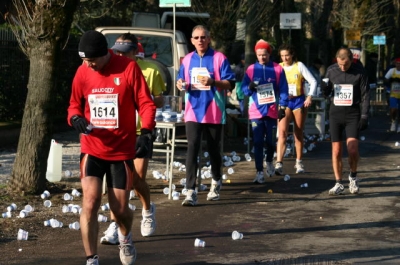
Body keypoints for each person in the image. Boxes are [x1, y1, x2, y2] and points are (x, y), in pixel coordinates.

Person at [67, 30, 156, 265]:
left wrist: (146, 132)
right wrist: (75, 118)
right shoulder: (83, 71)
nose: (89, 65)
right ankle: (91, 259)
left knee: (119, 209)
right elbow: (74, 105)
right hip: (92, 147)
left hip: (121, 151)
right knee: (90, 201)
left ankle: (125, 238)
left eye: (92, 60)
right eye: (84, 60)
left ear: (105, 53)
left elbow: (146, 103)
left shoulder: (127, 68)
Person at [98, 33, 166, 245]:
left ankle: (147, 210)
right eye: (117, 50)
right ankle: (115, 223)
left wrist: (142, 98)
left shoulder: (151, 70)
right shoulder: (111, 68)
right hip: (118, 133)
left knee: (135, 180)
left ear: (135, 52)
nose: (119, 54)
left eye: (124, 51)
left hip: (140, 132)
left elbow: (160, 101)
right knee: (118, 183)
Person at [176, 25, 235, 206]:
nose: (200, 40)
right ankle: (191, 190)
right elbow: (181, 81)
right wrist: (180, 84)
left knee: (213, 149)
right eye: (196, 38)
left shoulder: (219, 58)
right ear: (192, 41)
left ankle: (216, 180)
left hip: (213, 111)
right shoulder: (186, 60)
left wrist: (213, 82)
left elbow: (230, 83)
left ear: (209, 39)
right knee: (192, 147)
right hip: (193, 111)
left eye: (203, 37)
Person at [321, 47, 370, 195]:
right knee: (336, 151)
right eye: (340, 64)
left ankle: (353, 177)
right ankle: (338, 183)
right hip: (335, 113)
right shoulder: (331, 70)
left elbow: (365, 96)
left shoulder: (359, 71)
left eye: (346, 65)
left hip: (352, 114)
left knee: (353, 149)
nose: (343, 68)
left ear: (351, 60)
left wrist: (364, 116)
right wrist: (324, 89)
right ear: (336, 60)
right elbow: (326, 93)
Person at [241, 40, 289, 183]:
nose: (262, 57)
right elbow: (244, 90)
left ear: (269, 54)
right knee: (257, 142)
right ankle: (259, 172)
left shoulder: (277, 69)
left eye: (265, 55)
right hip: (256, 111)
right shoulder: (250, 69)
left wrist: (283, 106)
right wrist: (249, 87)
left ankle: (269, 161)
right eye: (259, 55)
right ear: (256, 54)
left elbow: (284, 89)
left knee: (270, 141)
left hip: (272, 111)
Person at [275, 44, 317, 175]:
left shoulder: (299, 66)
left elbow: (313, 81)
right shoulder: (278, 67)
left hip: (298, 101)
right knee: (282, 133)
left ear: (292, 54)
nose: (285, 58)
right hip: (284, 102)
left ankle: (299, 162)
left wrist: (310, 96)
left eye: (287, 55)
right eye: (282, 56)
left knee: (298, 133)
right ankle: (279, 163)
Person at [384, 58, 400, 132]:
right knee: (393, 109)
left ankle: (399, 124)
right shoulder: (392, 70)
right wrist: (391, 80)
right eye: (397, 63)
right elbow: (386, 79)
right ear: (395, 64)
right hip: (393, 93)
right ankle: (393, 122)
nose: (398, 65)